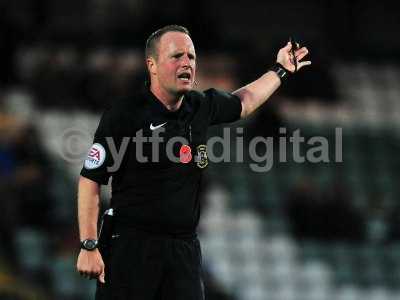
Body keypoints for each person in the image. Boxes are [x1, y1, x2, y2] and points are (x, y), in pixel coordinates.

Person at [76, 24, 310, 299]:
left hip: (183, 250)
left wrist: (280, 70)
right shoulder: (125, 115)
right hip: (131, 248)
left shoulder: (199, 106)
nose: (187, 62)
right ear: (152, 65)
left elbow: (243, 103)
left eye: (191, 56)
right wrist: (89, 245)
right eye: (177, 56)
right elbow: (90, 180)